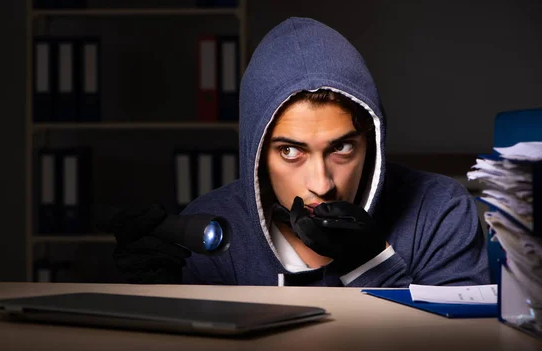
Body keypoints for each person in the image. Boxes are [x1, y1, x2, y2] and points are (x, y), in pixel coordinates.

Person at [108, 17, 490, 287]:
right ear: (257, 154)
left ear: (371, 143)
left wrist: (371, 263)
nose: (321, 185)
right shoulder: (210, 229)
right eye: (291, 151)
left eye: (341, 148)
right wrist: (149, 306)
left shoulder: (439, 212)